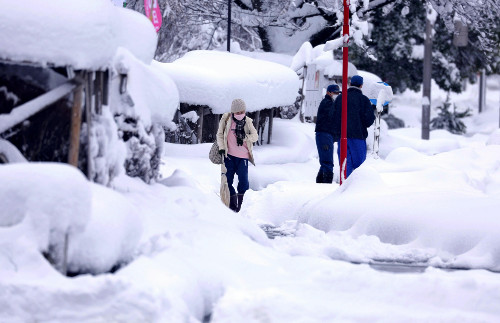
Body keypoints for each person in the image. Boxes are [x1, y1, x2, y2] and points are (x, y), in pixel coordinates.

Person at [216, 99, 258, 212]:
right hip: (229, 156)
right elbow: (220, 135)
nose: (240, 115)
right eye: (238, 112)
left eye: (242, 112)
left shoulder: (248, 121)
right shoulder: (226, 120)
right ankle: (232, 206)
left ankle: (242, 207)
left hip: (243, 157)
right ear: (233, 112)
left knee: (243, 182)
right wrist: (221, 148)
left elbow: (255, 136)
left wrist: (244, 137)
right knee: (226, 181)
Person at [333, 75, 375, 178]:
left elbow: (333, 116)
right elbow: (369, 120)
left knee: (345, 166)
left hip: (342, 137)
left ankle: (345, 188)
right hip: (358, 137)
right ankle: (357, 189)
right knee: (359, 168)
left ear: (350, 84)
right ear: (361, 85)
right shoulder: (364, 100)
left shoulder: (340, 98)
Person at [314, 84, 341, 184]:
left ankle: (320, 183)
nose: (336, 95)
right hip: (324, 135)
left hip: (325, 135)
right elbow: (332, 118)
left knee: (325, 161)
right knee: (327, 162)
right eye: (335, 93)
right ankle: (326, 185)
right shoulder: (327, 103)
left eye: (338, 93)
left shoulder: (329, 103)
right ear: (329, 92)